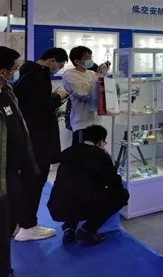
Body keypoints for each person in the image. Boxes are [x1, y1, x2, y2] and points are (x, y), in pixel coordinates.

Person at [12, 48, 69, 242]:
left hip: (32, 138)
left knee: (29, 181)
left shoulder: (30, 73)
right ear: (52, 60)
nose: (58, 68)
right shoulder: (35, 76)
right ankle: (28, 226)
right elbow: (41, 106)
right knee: (34, 181)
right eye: (59, 65)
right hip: (38, 139)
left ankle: (21, 221)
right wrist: (59, 96)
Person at [47, 124, 129, 246]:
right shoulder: (101, 156)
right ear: (100, 141)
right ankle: (87, 230)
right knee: (121, 194)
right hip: (84, 205)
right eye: (104, 141)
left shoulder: (69, 151)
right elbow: (115, 182)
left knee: (73, 190)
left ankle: (69, 228)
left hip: (56, 206)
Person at [0, 46, 38, 277]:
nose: (16, 72)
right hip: (2, 174)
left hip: (13, 171)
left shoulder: (8, 91)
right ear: (2, 71)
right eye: (14, 68)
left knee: (9, 222)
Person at [62, 46, 109, 145]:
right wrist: (99, 76)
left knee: (97, 152)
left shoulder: (91, 73)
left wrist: (103, 75)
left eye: (90, 57)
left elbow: (102, 92)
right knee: (83, 152)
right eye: (86, 58)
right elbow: (86, 94)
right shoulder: (69, 75)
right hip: (81, 122)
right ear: (77, 61)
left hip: (97, 121)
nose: (90, 60)